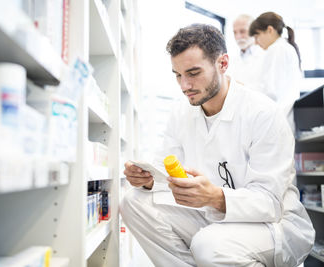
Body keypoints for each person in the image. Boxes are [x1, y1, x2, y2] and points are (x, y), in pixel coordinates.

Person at [120, 24, 314, 267]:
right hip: (212, 215)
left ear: (222, 64)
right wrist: (148, 180)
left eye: (193, 73)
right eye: (178, 75)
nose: (184, 86)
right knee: (133, 202)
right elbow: (166, 168)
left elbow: (270, 204)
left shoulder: (263, 114)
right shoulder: (182, 113)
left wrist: (216, 197)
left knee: (209, 246)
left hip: (273, 225)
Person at [249, 12, 302, 133]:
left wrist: (245, 90)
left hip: (277, 120)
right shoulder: (284, 48)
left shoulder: (277, 49)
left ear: (270, 30)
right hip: (283, 119)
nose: (256, 42)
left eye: (257, 36)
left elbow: (271, 92)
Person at [230, 14, 264, 86]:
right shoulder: (232, 60)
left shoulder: (265, 55)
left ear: (254, 31)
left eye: (243, 31)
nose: (238, 37)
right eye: (235, 32)